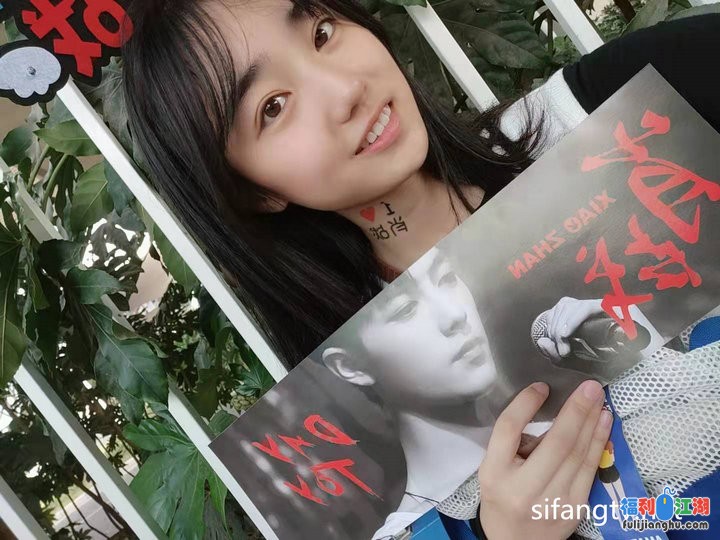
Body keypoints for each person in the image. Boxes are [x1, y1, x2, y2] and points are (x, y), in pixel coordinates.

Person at [121, 0, 720, 537]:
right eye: (272, 107)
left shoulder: (608, 116)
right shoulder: (377, 464)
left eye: (323, 32)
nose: (345, 88)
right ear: (254, 193)